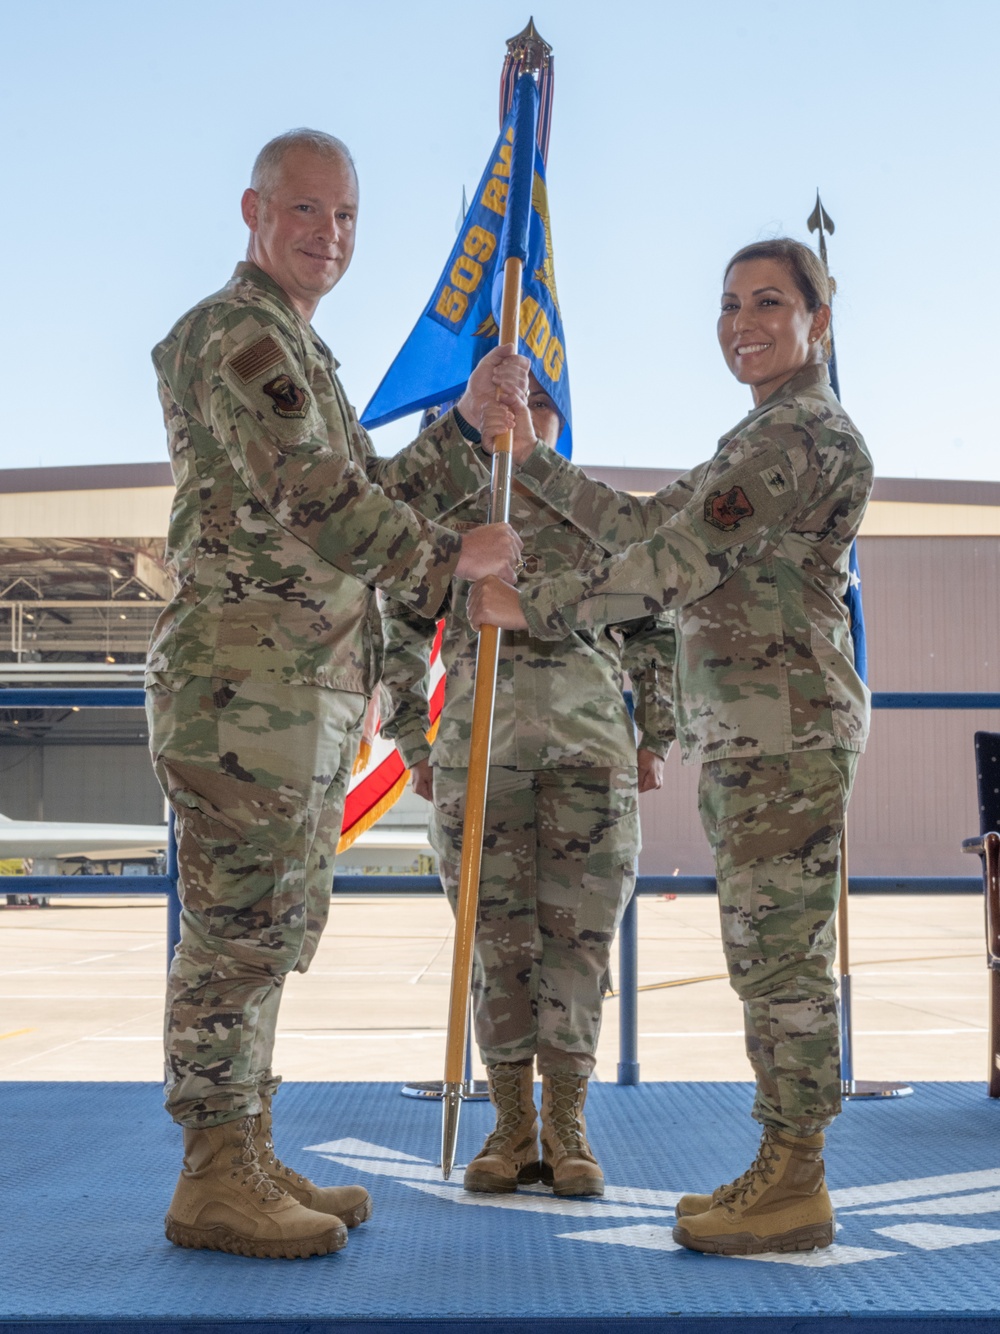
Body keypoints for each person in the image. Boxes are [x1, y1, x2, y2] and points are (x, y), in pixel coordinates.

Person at [146, 127, 529, 1260]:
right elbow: (314, 494)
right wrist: (452, 555)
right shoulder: (238, 336)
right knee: (236, 933)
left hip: (294, 694)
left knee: (269, 928)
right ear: (255, 210)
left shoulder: (303, 352)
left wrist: (462, 423)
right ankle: (212, 1170)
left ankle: (244, 1144)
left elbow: (362, 481)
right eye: (307, 211)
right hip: (242, 689)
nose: (330, 235)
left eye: (347, 217)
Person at [468, 238, 872, 1255]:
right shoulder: (758, 432)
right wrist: (534, 456)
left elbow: (675, 559)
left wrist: (535, 604)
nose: (742, 320)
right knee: (763, 953)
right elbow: (641, 518)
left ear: (816, 319)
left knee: (781, 959)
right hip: (755, 730)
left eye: (768, 301)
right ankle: (782, 1164)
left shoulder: (800, 435)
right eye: (730, 302)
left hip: (785, 729)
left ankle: (796, 1175)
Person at [380, 378, 675, 1198]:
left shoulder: (603, 515)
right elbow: (398, 629)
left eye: (538, 404)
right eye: (507, 401)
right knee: (496, 947)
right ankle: (510, 1126)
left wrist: (656, 732)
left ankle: (569, 1127)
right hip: (482, 757)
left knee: (578, 948)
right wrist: (413, 743)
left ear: (557, 420)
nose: (522, 415)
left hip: (590, 758)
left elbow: (657, 624)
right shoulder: (457, 527)